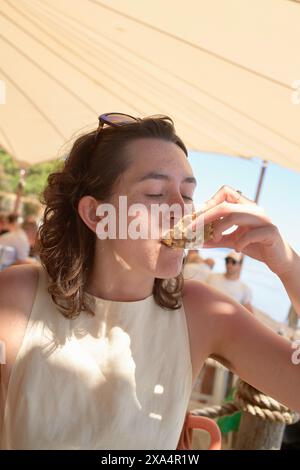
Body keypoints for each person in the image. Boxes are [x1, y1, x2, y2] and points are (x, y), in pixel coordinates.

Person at [0, 114, 300, 450]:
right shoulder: (19, 297)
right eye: (156, 193)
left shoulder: (203, 313)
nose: (182, 211)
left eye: (187, 195)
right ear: (97, 215)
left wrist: (288, 266)